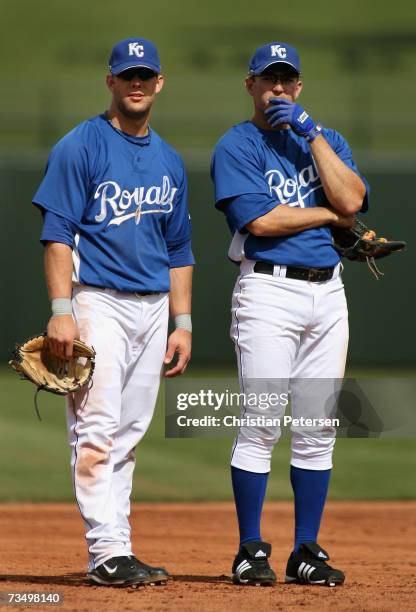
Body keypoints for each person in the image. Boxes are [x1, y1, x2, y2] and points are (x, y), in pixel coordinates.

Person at [33, 37, 194, 587]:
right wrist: (62, 311)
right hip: (97, 300)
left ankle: (118, 548)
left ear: (159, 83)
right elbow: (56, 233)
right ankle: (105, 551)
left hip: (153, 310)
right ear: (110, 82)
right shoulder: (80, 145)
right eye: (127, 75)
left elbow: (180, 252)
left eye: (145, 75)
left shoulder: (170, 160)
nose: (137, 83)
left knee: (128, 432)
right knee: (96, 429)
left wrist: (183, 323)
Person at [211, 41, 368, 586]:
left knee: (317, 426)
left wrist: (312, 133)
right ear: (250, 85)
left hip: (329, 293)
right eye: (267, 79)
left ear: (299, 87)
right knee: (260, 424)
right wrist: (326, 212)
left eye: (287, 80)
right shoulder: (237, 144)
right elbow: (261, 222)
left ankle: (306, 551)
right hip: (268, 293)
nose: (277, 89)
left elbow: (354, 199)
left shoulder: (325, 141)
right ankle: (250, 549)